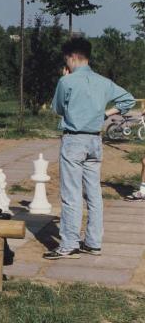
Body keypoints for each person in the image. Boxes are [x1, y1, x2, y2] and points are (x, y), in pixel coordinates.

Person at [43, 37, 135, 260]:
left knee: (71, 193)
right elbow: (128, 100)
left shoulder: (67, 82)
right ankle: (93, 242)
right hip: (95, 140)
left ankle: (69, 243)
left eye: (66, 59)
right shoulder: (103, 82)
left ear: (72, 57)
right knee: (93, 193)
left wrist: (64, 80)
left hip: (74, 140)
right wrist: (105, 114)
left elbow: (57, 109)